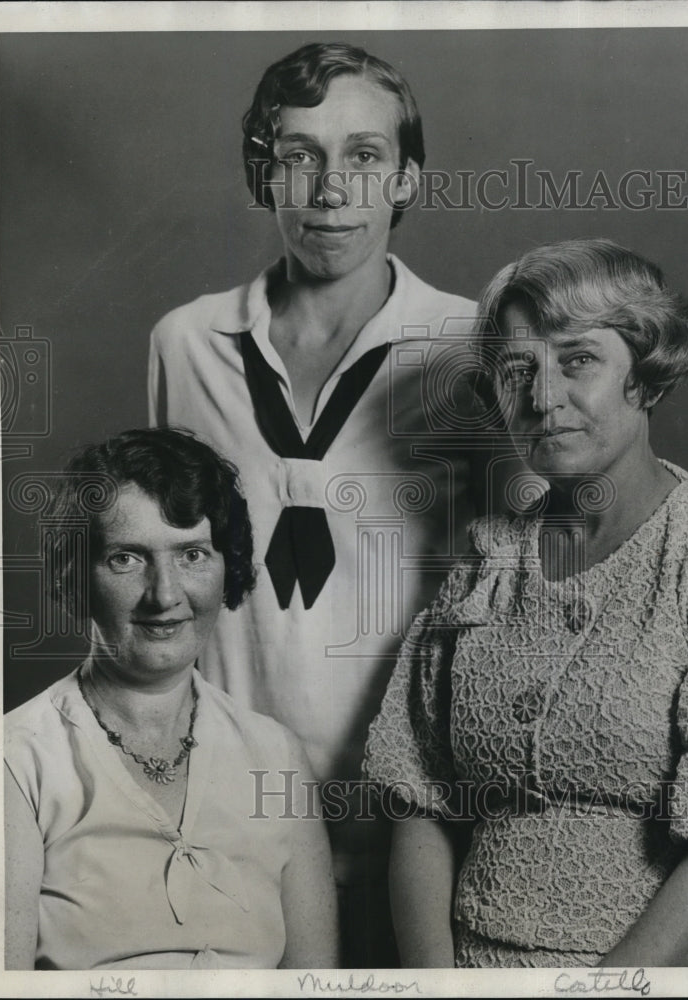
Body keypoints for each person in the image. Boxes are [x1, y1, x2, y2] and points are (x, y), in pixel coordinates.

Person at [148, 42, 478, 964]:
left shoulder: (471, 347)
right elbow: (172, 574)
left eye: (364, 156)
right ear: (265, 172)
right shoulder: (185, 343)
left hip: (420, 826)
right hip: (228, 813)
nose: (331, 188)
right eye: (299, 155)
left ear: (406, 176)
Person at [364, 238, 688, 967]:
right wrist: (438, 988)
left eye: (577, 359)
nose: (542, 396)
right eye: (517, 368)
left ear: (645, 375)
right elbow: (417, 798)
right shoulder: (486, 558)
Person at [4, 428, 338, 971]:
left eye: (192, 554)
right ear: (76, 575)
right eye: (126, 559)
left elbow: (315, 980)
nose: (164, 595)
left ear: (225, 566)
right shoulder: (12, 761)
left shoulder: (277, 756)